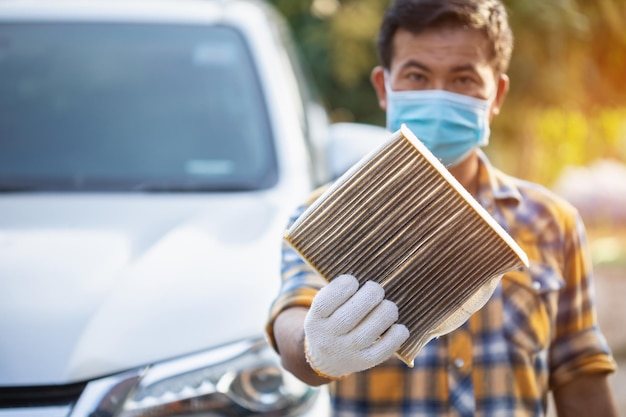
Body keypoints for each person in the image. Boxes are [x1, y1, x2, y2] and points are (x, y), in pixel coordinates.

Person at [265, 0, 619, 415]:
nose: (439, 95)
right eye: (417, 75)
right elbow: (292, 324)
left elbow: (580, 376)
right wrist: (316, 352)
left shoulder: (551, 222)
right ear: (384, 88)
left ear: (497, 94)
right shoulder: (323, 215)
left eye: (463, 78)